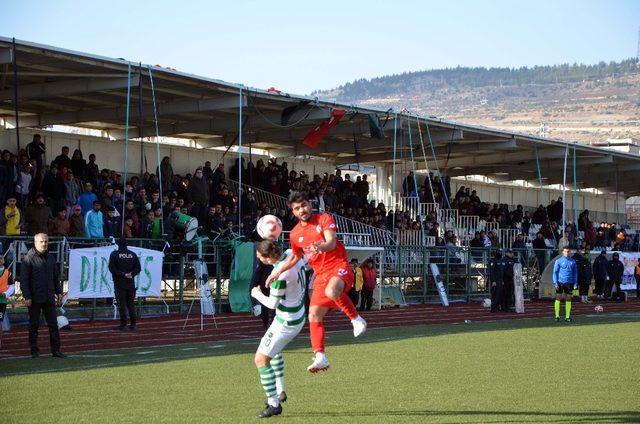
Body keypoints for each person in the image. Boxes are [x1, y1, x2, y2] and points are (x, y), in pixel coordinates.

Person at [266, 191, 366, 373]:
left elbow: (331, 243)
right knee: (313, 315)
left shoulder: (324, 219)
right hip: (320, 274)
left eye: (304, 205)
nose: (302, 210)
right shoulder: (295, 234)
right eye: (297, 208)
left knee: (331, 292)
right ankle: (320, 356)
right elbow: (296, 257)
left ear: (309, 205)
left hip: (338, 265)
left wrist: (320, 246)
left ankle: (356, 319)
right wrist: (277, 271)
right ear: (293, 212)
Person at [251, 241, 306, 418]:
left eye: (259, 256)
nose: (258, 259)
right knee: (273, 352)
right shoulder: (292, 255)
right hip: (296, 313)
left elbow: (272, 304)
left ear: (268, 257)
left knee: (260, 359)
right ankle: (280, 391)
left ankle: (274, 404)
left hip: (286, 321)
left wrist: (257, 294)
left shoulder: (280, 276)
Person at [20, 233, 66, 358]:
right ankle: (34, 351)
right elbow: (24, 280)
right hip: (34, 298)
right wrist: (27, 296)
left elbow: (55, 277)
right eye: (42, 241)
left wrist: (59, 292)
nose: (44, 244)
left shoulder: (51, 258)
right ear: (35, 243)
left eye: (46, 241)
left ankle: (56, 350)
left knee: (53, 325)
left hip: (49, 296)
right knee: (34, 325)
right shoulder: (28, 258)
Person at [108, 238, 141, 331]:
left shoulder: (114, 254)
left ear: (118, 244)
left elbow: (112, 268)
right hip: (131, 283)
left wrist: (123, 274)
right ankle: (133, 324)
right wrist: (131, 274)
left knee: (122, 304)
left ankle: (124, 324)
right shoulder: (133, 254)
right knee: (130, 304)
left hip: (120, 282)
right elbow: (138, 268)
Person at [552, 246, 577, 322]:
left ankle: (567, 317)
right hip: (560, 282)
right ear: (562, 252)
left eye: (568, 251)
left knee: (569, 298)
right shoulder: (558, 261)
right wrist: (555, 283)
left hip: (569, 282)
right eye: (565, 251)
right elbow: (555, 272)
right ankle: (557, 316)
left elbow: (575, 273)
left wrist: (575, 283)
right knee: (558, 298)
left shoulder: (573, 261)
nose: (567, 253)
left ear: (570, 252)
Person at [0, 254, 16, 341]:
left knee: (0, 322)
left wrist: (6, 294)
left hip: (2, 301)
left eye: (1, 258)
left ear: (4, 260)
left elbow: (12, 286)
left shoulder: (7, 272)